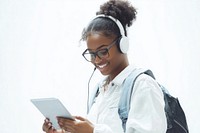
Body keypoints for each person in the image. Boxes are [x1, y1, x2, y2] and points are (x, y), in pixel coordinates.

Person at [42, 0, 167, 133]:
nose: (96, 59)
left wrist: (93, 131)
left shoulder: (143, 85)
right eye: (91, 54)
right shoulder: (100, 91)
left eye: (103, 51)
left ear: (122, 44)